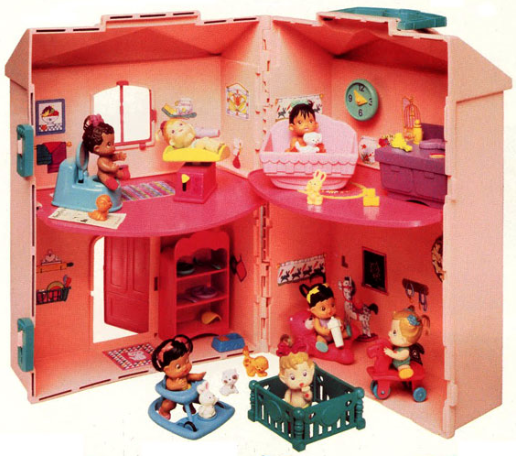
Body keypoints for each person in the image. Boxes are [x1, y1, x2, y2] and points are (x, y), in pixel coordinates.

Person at [151, 335, 206, 419]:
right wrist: (177, 385)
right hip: (173, 397)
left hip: (186, 394)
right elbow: (170, 386)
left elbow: (191, 377)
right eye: (178, 367)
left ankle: (187, 407)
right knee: (169, 404)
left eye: (186, 361)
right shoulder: (170, 380)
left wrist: (198, 376)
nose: (185, 367)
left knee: (191, 398)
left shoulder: (185, 376)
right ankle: (164, 411)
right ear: (167, 370)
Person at [82, 114, 130, 190]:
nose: (113, 147)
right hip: (104, 174)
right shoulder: (100, 160)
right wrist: (111, 168)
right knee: (105, 177)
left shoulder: (108, 156)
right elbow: (104, 167)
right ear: (97, 148)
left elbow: (113, 157)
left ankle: (124, 173)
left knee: (119, 173)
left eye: (113, 143)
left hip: (112, 171)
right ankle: (111, 183)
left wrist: (119, 156)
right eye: (109, 144)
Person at [384, 306, 430, 379]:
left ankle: (406, 371)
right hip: (394, 363)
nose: (389, 333)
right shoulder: (397, 346)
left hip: (401, 364)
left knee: (403, 368)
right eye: (391, 330)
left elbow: (400, 356)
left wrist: (390, 353)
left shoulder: (405, 351)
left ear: (405, 338)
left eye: (394, 332)